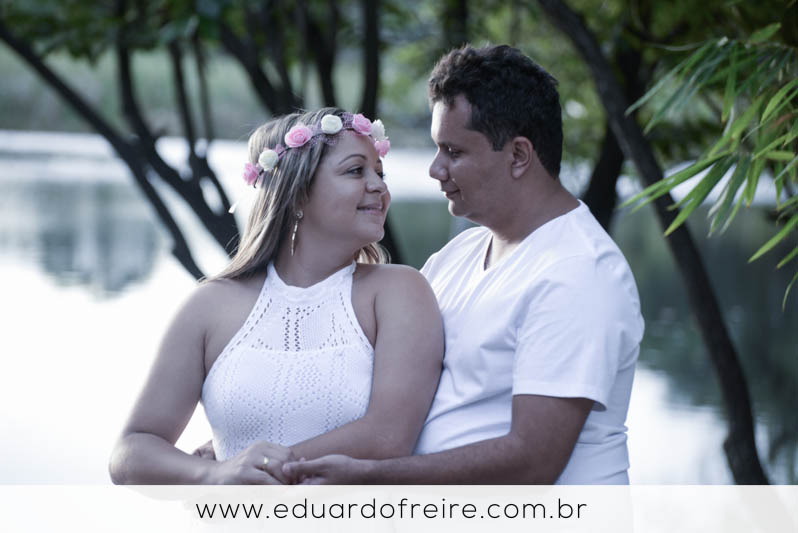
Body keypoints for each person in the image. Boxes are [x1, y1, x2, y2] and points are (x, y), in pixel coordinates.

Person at [283, 45, 645, 484]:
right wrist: (251, 451)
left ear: (518, 156)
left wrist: (372, 477)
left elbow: (534, 461)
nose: (436, 169)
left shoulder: (579, 272)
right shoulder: (457, 257)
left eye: (453, 151)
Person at [108, 108, 444, 484]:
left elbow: (388, 436)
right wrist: (214, 474)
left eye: (380, 174)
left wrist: (257, 466)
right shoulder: (209, 306)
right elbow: (132, 450)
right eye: (355, 171)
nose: (379, 187)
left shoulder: (400, 291)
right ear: (296, 193)